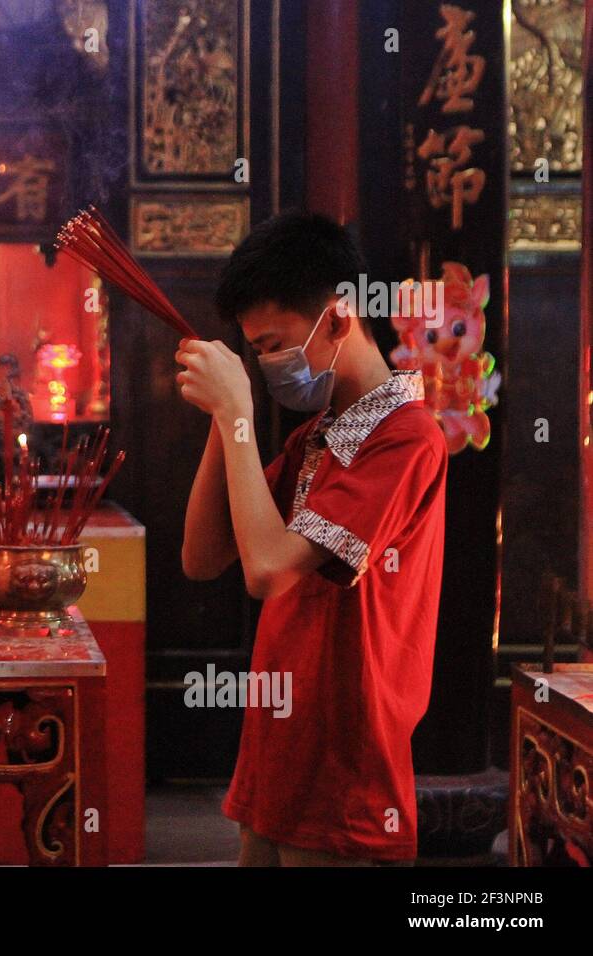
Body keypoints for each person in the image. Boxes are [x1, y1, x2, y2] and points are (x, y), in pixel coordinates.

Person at [176, 212, 447, 866]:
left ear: (339, 317)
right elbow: (203, 557)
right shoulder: (315, 438)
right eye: (257, 351)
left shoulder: (406, 439)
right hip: (278, 752)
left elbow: (268, 570)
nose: (268, 364)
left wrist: (239, 412)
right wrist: (224, 420)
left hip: (347, 769)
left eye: (274, 343)